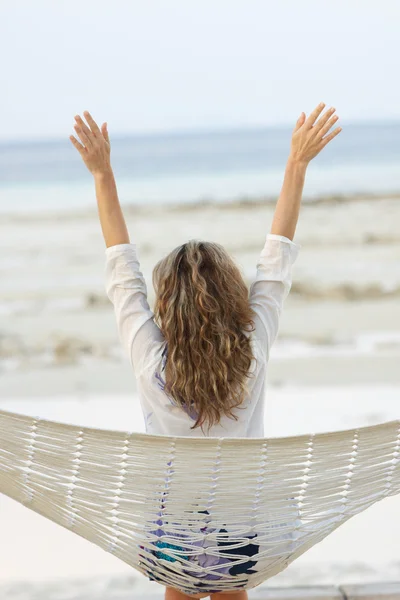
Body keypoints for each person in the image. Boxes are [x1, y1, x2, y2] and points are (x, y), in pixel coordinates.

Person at [69, 102, 341, 600]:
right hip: (242, 530)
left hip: (171, 532)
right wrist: (297, 164)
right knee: (232, 591)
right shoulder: (251, 351)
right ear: (232, 296)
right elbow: (276, 261)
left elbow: (121, 275)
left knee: (180, 592)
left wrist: (102, 175)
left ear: (166, 306)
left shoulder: (151, 360)